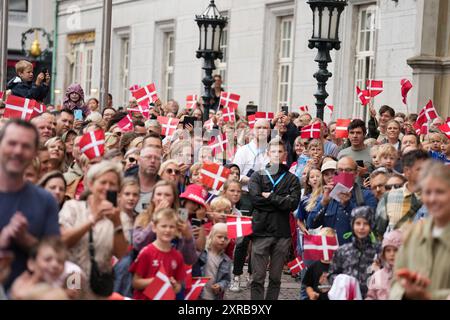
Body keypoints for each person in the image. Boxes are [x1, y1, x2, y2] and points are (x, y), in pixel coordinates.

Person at [0, 119, 60, 290]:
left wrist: (27, 240)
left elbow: (56, 259)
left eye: (25, 146)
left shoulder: (46, 201)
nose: (18, 151)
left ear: (35, 153)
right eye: (12, 143)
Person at [59, 161, 128, 294]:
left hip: (99, 284)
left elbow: (121, 254)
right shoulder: (73, 207)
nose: (107, 187)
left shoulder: (120, 217)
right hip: (73, 278)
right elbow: (63, 241)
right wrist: (92, 220)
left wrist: (117, 223)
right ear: (91, 184)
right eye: (103, 182)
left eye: (112, 184)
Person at [248, 138, 301, 300]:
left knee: (275, 278)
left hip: (282, 233)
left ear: (285, 154)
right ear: (267, 153)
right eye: (273, 151)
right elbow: (255, 200)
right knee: (257, 277)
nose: (277, 155)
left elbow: (292, 204)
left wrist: (270, 197)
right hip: (261, 231)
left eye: (280, 151)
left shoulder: (292, 179)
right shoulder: (257, 176)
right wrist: (280, 200)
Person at [390, 160, 450, 300]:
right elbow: (395, 283)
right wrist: (406, 292)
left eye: (440, 192)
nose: (432, 199)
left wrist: (428, 296)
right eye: (427, 192)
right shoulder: (414, 234)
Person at [307, 156, 377, 245]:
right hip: (330, 251)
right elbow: (311, 224)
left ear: (356, 173)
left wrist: (348, 205)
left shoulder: (367, 195)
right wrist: (323, 203)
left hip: (355, 251)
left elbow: (371, 224)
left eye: (348, 170)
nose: (343, 174)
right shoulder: (327, 194)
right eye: (340, 170)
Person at [130, 208, 185, 300]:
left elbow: (178, 287)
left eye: (172, 227)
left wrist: (174, 285)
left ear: (176, 230)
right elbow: (135, 283)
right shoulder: (146, 252)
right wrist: (157, 281)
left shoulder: (178, 256)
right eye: (163, 226)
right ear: (154, 228)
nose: (168, 230)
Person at [328, 206, 380, 298]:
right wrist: (343, 282)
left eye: (366, 224)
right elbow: (332, 275)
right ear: (352, 225)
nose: (361, 227)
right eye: (358, 223)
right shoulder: (343, 251)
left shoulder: (378, 251)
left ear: (371, 225)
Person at [375, 149, 430, 236]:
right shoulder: (389, 197)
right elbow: (380, 231)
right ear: (407, 171)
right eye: (420, 169)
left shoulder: (437, 199)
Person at [194, 223, 232, 300]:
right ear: (211, 236)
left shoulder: (227, 260)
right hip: (198, 295)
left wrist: (220, 285)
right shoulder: (202, 253)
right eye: (219, 237)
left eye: (226, 238)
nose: (222, 240)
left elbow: (227, 279)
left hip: (214, 296)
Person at [366, 230, 403, 300]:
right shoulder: (377, 276)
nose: (392, 254)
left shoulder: (408, 276)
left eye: (396, 250)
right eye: (388, 250)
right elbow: (371, 296)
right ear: (383, 253)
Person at [303, 227, 336, 300]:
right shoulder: (313, 266)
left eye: (329, 243)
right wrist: (311, 293)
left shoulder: (338, 266)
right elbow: (308, 285)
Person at [135, 146, 162, 214]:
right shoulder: (124, 183)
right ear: (139, 160)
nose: (153, 161)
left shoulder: (166, 189)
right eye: (148, 157)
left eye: (157, 158)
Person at [118, 178, 140, 244]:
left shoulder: (140, 218)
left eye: (135, 195)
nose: (131, 198)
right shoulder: (113, 217)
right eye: (127, 194)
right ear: (119, 196)